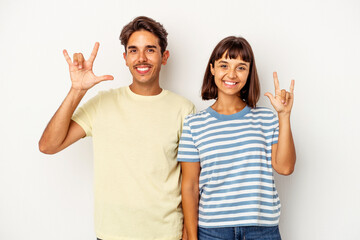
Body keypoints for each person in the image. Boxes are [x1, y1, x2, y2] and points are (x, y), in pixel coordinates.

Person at [39, 16, 195, 240]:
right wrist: (77, 90)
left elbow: (190, 183)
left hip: (165, 234)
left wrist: (189, 233)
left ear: (165, 56)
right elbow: (48, 146)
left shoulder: (183, 109)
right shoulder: (102, 103)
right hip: (112, 234)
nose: (141, 58)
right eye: (133, 50)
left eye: (150, 50)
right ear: (125, 58)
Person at [178, 36, 296, 240]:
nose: (231, 74)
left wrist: (284, 116)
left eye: (241, 67)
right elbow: (190, 186)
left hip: (262, 230)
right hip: (213, 231)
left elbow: (285, 168)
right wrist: (191, 235)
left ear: (249, 73)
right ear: (212, 68)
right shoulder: (193, 124)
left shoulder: (267, 118)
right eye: (224, 65)